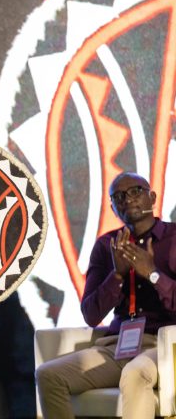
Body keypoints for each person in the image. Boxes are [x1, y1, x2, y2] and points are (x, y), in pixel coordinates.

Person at [35, 172, 176, 418]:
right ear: (113, 207)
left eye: (135, 191)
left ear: (152, 197)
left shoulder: (174, 238)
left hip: (165, 344)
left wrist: (153, 274)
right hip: (119, 346)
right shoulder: (106, 246)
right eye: (119, 197)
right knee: (49, 375)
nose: (128, 200)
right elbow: (91, 314)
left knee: (135, 373)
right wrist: (117, 277)